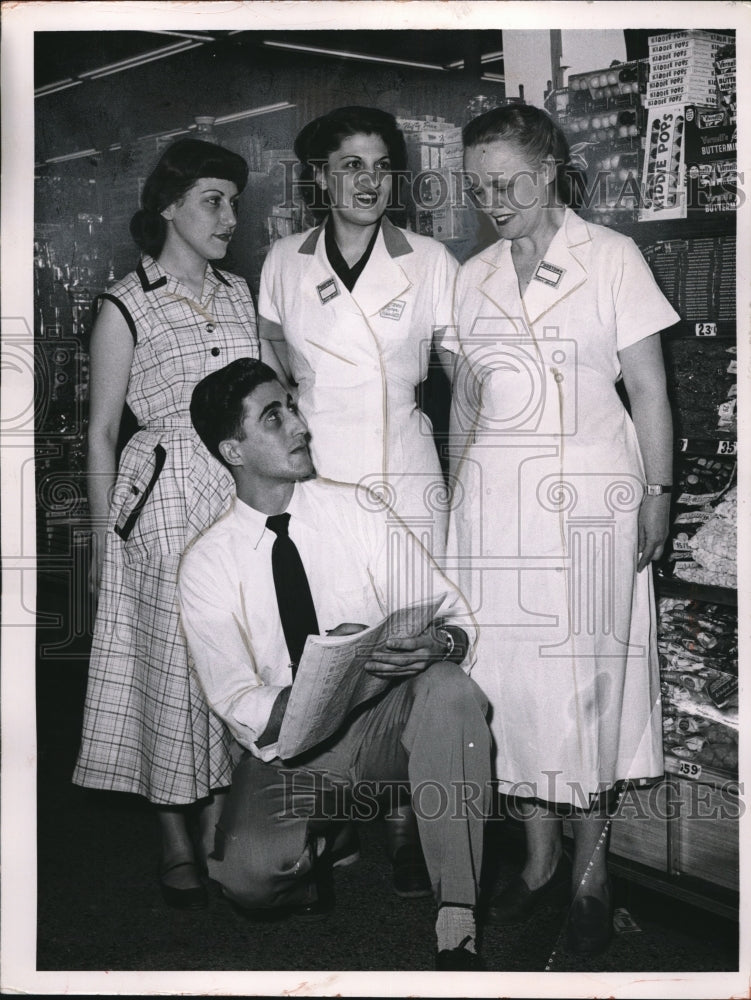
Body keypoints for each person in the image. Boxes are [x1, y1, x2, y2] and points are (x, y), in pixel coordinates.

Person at [445, 104, 679, 955]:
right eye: (477, 188)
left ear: (547, 171)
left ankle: (591, 877)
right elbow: (468, 404)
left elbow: (648, 391)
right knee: (513, 690)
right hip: (494, 507)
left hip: (591, 500)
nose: (491, 200)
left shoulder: (609, 257)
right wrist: (451, 513)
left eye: (505, 182)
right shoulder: (470, 278)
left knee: (590, 689)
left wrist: (658, 495)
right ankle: (539, 857)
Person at [178, 357, 491, 971]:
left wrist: (442, 644)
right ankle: (328, 837)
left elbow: (452, 611)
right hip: (293, 752)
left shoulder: (359, 510)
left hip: (386, 732)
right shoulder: (206, 564)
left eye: (292, 407)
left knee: (450, 689)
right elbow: (234, 698)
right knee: (249, 879)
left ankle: (458, 914)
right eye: (274, 417)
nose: (299, 425)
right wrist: (318, 690)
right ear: (232, 450)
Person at [72, 138, 260, 909]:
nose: (229, 215)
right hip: (162, 505)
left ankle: (223, 821)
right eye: (213, 200)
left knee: (236, 661)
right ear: (167, 208)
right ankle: (175, 834)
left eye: (233, 201)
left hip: (239, 498)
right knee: (170, 669)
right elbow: (100, 433)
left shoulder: (239, 292)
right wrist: (95, 541)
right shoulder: (126, 302)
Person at [258, 106, 458, 554]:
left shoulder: (431, 261)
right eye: (353, 167)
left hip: (406, 477)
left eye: (382, 167)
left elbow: (465, 388)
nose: (372, 181)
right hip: (315, 470)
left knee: (413, 613)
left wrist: (465, 480)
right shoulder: (285, 260)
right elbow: (270, 359)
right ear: (322, 177)